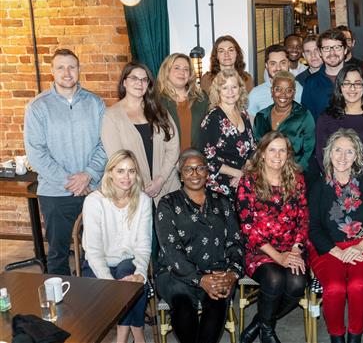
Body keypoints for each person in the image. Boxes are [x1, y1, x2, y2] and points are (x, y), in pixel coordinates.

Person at [24, 48, 106, 275]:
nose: (67, 72)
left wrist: (88, 174)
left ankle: (95, 301)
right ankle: (61, 306)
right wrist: (71, 182)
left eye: (72, 66)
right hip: (56, 193)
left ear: (79, 70)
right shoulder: (38, 107)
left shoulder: (95, 103)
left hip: (92, 190)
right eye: (60, 67)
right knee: (58, 254)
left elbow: (106, 144)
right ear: (52, 71)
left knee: (96, 251)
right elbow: (36, 153)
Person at [155, 149, 244, 343]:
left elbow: (235, 241)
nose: (194, 174)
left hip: (217, 271)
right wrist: (199, 279)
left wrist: (232, 274)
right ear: (180, 175)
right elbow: (170, 249)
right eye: (188, 169)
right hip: (176, 274)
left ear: (207, 172)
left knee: (217, 302)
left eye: (200, 168)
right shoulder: (167, 203)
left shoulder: (223, 201)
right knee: (183, 305)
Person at [308, 130, 363, 343]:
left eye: (349, 152)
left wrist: (360, 247)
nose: (342, 157)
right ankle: (337, 338)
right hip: (328, 249)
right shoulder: (317, 187)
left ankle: (354, 337)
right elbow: (313, 228)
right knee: (334, 288)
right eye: (338, 150)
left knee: (358, 285)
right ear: (329, 153)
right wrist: (338, 252)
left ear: (357, 156)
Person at [237, 132, 308, 343]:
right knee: (275, 279)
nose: (277, 155)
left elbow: (304, 219)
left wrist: (295, 249)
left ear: (288, 154)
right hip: (260, 251)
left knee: (296, 283)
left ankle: (259, 323)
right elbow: (248, 228)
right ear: (262, 153)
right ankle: (267, 333)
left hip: (291, 249)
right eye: (272, 149)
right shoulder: (248, 181)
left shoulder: (297, 180)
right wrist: (278, 257)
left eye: (282, 150)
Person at [81, 149, 151, 343]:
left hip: (127, 260)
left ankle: (124, 334)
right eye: (120, 171)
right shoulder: (94, 201)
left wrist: (141, 273)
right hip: (97, 265)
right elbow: (93, 252)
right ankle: (136, 331)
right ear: (110, 172)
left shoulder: (143, 201)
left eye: (131, 171)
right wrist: (109, 282)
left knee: (131, 277)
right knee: (124, 285)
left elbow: (143, 245)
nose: (126, 177)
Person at [102, 62, 180, 202]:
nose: (140, 83)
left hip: (167, 186)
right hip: (133, 191)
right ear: (124, 82)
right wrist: (141, 183)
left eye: (144, 79)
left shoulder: (159, 110)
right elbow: (117, 158)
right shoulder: (111, 116)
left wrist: (161, 179)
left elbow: (173, 147)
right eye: (134, 78)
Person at [316, 64, 363, 187]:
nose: (352, 88)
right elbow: (321, 156)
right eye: (347, 83)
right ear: (340, 87)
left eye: (357, 83)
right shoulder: (326, 118)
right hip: (337, 188)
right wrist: (337, 185)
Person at [200, 69, 256, 200]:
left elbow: (253, 148)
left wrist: (244, 173)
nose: (230, 92)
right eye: (225, 88)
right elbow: (208, 159)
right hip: (220, 188)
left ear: (240, 89)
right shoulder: (212, 118)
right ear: (218, 91)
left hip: (243, 183)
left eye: (234, 87)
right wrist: (237, 173)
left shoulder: (244, 114)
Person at [253, 71, 315, 171]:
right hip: (265, 174)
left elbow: (309, 151)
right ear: (272, 91)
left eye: (288, 90)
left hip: (295, 174)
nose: (283, 94)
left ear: (294, 93)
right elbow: (257, 149)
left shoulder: (304, 116)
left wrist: (294, 172)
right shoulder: (260, 117)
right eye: (278, 89)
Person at [156, 53, 209, 152]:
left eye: (186, 69)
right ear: (166, 71)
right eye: (177, 68)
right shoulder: (156, 101)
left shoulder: (201, 98)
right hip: (169, 163)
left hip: (197, 162)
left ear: (190, 74)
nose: (182, 72)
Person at [302, 28, 350, 119]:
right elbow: (308, 119)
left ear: (345, 50)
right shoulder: (311, 82)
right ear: (320, 52)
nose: (332, 53)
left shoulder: (360, 76)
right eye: (326, 48)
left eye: (337, 47)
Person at [247, 45, 304, 115]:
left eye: (283, 63)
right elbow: (251, 123)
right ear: (266, 66)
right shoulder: (255, 94)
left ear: (289, 63)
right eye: (273, 64)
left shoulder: (300, 89)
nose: (278, 68)